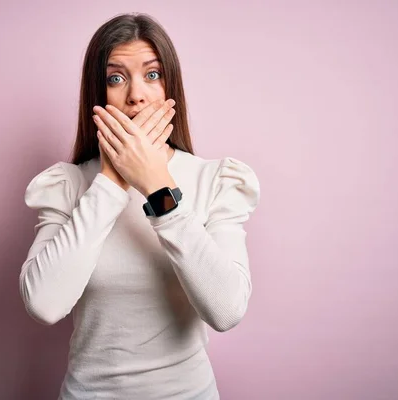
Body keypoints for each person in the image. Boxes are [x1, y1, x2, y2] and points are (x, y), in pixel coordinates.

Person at [20, 12, 261, 400]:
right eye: (116, 78)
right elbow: (45, 304)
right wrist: (113, 180)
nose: (136, 95)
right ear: (97, 95)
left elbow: (227, 310)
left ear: (171, 87)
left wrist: (155, 186)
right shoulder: (67, 184)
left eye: (152, 74)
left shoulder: (216, 180)